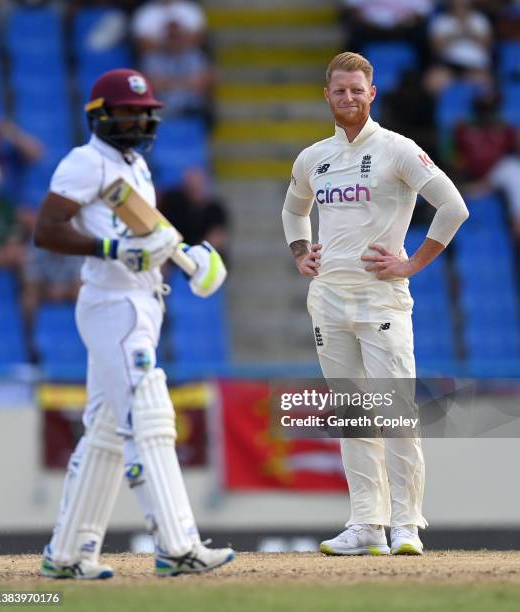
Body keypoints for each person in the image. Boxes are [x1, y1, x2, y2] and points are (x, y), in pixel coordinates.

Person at [33, 67, 233, 579]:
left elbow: (147, 229)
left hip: (141, 303)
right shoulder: (84, 162)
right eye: (128, 111)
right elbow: (46, 230)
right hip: (113, 305)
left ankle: (69, 554)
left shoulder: (134, 168)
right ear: (100, 116)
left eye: (146, 112)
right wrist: (112, 248)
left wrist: (186, 255)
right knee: (150, 419)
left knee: (103, 432)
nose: (140, 119)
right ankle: (177, 545)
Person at [282, 52, 469, 556]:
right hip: (327, 298)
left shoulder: (398, 150)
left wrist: (411, 264)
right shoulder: (313, 157)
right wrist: (301, 251)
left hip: (381, 297)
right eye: (339, 90)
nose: (348, 98)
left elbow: (454, 207)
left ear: (372, 94)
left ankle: (406, 525)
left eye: (356, 90)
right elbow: (294, 208)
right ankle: (368, 524)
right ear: (327, 95)